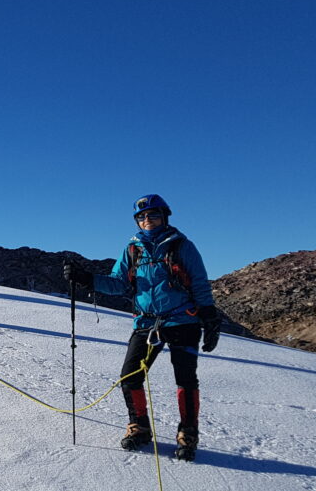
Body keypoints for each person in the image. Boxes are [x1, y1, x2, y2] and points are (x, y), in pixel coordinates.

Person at [63, 194, 220, 461]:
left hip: (183, 321)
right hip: (146, 323)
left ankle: (188, 434)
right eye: (142, 217)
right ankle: (140, 428)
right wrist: (86, 279)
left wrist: (210, 319)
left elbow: (199, 283)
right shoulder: (132, 249)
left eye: (153, 215)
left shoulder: (183, 246)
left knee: (185, 380)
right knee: (130, 376)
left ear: (165, 216)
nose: (147, 220)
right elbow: (118, 283)